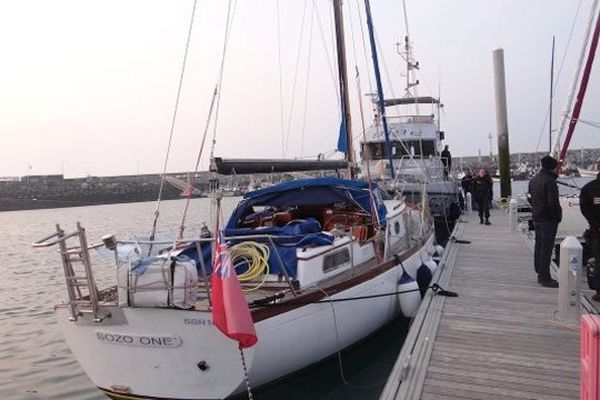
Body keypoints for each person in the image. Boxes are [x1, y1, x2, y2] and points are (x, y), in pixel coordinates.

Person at [528, 155, 561, 288]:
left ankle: (539, 270)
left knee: (539, 246)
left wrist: (536, 209)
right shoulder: (550, 182)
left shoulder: (533, 180)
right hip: (548, 219)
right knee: (547, 248)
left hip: (537, 217)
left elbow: (530, 198)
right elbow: (553, 203)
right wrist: (557, 216)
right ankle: (544, 277)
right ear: (553, 167)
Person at [579, 170, 600, 301]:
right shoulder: (589, 189)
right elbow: (584, 207)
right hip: (596, 230)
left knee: (599, 261)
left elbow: (584, 208)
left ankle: (599, 291)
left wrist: (594, 223)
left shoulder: (588, 188)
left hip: (595, 229)